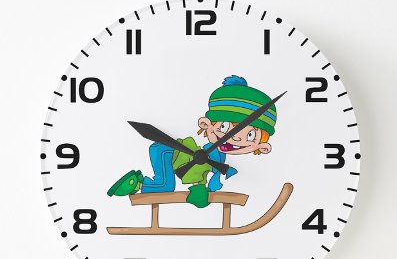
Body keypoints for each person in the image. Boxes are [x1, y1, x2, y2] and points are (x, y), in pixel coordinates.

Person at [107, 75, 276, 207]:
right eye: (224, 127)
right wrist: (200, 190)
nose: (237, 138)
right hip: (167, 151)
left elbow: (202, 169)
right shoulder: (214, 154)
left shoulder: (215, 154)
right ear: (206, 124)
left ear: (263, 147)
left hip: (167, 151)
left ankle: (137, 181)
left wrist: (202, 187)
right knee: (165, 186)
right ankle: (135, 182)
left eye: (250, 135)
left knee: (165, 184)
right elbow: (200, 170)